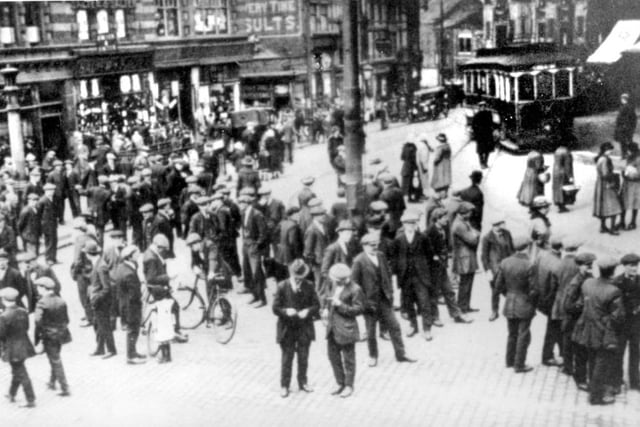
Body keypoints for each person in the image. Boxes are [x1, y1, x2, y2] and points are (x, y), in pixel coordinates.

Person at [351, 232, 416, 367]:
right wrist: (363, 303)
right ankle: (373, 355)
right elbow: (354, 285)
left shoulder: (381, 256)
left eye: (376, 245)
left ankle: (401, 354)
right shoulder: (358, 261)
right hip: (369, 303)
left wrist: (391, 293)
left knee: (395, 326)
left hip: (385, 300)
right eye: (371, 246)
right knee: (371, 331)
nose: (375, 248)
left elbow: (387, 275)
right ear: (364, 246)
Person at [572, 256, 624, 405]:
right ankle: (596, 396)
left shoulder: (587, 283)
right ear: (613, 271)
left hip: (585, 328)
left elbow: (581, 303)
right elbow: (617, 317)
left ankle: (591, 387)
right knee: (601, 363)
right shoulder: (614, 291)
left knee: (592, 359)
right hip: (602, 331)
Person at [272, 259, 320, 398]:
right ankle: (284, 385)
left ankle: (303, 382)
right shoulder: (282, 286)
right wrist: (286, 311)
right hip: (287, 328)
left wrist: (308, 311)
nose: (299, 280)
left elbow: (316, 305)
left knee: (303, 357)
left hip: (304, 328)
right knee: (287, 358)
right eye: (297, 277)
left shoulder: (309, 285)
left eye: (301, 277)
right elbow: (275, 308)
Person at [495, 234, 537, 374]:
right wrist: (532, 302)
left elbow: (498, 285)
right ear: (527, 248)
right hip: (524, 303)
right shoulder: (529, 264)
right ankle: (519, 364)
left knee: (512, 333)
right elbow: (533, 289)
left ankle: (510, 360)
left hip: (509, 303)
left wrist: (508, 295)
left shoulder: (505, 262)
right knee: (523, 335)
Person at [323, 263, 365, 399]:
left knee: (349, 360)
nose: (333, 281)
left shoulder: (355, 289)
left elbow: (358, 310)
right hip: (332, 329)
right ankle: (339, 382)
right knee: (333, 357)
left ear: (342, 279)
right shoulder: (333, 284)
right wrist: (325, 309)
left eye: (335, 279)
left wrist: (340, 305)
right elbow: (328, 299)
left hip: (347, 330)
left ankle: (348, 385)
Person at [34, 276, 71, 396]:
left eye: (38, 287)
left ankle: (65, 387)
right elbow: (66, 319)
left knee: (55, 361)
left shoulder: (42, 302)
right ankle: (51, 382)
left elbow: (37, 321)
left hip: (49, 336)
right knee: (55, 358)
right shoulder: (61, 300)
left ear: (43, 288)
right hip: (61, 334)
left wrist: (39, 336)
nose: (38, 290)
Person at [563, 252, 596, 390]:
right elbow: (568, 306)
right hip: (575, 321)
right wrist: (583, 305)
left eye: (591, 265)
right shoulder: (576, 282)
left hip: (585, 320)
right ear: (579, 266)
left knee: (584, 350)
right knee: (580, 351)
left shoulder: (589, 277)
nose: (589, 268)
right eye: (587, 265)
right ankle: (580, 380)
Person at [550, 237, 582, 375]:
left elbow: (553, 285)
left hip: (559, 302)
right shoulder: (579, 265)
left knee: (563, 334)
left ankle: (566, 364)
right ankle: (575, 363)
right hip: (574, 304)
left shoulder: (558, 264)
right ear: (576, 250)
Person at [0, 287, 36, 408]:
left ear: (4, 300)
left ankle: (30, 399)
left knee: (21, 372)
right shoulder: (23, 311)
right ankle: (12, 393)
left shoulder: (4, 316)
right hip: (24, 344)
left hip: (12, 349)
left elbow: (2, 335)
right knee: (17, 370)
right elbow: (26, 327)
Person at [112, 245, 146, 365]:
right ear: (130, 256)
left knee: (132, 330)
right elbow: (134, 295)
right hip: (132, 307)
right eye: (136, 254)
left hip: (124, 305)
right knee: (133, 330)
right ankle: (131, 356)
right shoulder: (129, 273)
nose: (138, 255)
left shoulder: (121, 267)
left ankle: (133, 352)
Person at [612, 253, 640, 391]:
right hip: (621, 325)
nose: (634, 269)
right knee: (618, 353)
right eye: (631, 266)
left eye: (636, 266)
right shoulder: (617, 282)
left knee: (636, 353)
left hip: (636, 324)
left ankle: (635, 381)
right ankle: (617, 381)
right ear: (624, 267)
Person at [534, 236, 563, 367]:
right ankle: (548, 356)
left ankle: (558, 353)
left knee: (554, 327)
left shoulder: (541, 255)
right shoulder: (557, 263)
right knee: (554, 328)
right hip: (552, 301)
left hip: (541, 298)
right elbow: (554, 286)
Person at [86, 241, 116, 359]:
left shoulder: (101, 266)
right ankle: (100, 348)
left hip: (101, 301)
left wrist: (96, 298)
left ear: (89, 254)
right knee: (97, 324)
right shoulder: (97, 263)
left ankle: (111, 349)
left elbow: (106, 288)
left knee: (104, 325)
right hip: (98, 299)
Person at [481, 216, 515, 321]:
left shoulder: (507, 233)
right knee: (495, 291)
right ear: (495, 225)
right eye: (501, 224)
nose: (502, 225)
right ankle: (494, 311)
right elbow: (484, 256)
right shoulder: (487, 238)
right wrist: (487, 270)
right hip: (495, 269)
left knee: (510, 288)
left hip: (507, 265)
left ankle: (512, 308)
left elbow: (512, 249)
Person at [238, 194, 268, 307]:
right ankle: (254, 295)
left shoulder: (257, 214)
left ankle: (262, 298)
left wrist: (257, 245)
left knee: (257, 272)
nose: (240, 205)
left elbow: (263, 233)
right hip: (246, 245)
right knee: (247, 271)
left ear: (247, 203)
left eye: (242, 203)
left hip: (253, 247)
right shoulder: (243, 214)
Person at [451, 202, 480, 313]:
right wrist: (475, 234)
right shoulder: (460, 225)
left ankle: (465, 306)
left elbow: (474, 234)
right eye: (469, 212)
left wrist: (474, 233)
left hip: (466, 257)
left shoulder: (462, 222)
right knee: (465, 284)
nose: (471, 214)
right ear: (463, 213)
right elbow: (473, 240)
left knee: (468, 283)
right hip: (464, 258)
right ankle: (462, 307)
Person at [593, 142, 623, 235]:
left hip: (600, 185)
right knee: (615, 206)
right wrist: (614, 179)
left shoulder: (600, 158)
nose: (610, 151)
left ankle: (603, 227)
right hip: (607, 184)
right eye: (609, 150)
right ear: (605, 150)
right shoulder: (605, 159)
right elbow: (605, 174)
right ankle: (613, 228)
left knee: (603, 207)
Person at [472, 101, 497, 169]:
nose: (483, 108)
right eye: (481, 107)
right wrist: (476, 133)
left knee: (487, 150)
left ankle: (485, 162)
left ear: (485, 107)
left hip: (488, 134)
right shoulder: (476, 115)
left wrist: (493, 130)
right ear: (479, 107)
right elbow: (473, 126)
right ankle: (481, 163)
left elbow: (491, 123)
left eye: (484, 106)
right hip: (480, 136)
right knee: (480, 151)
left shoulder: (488, 114)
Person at [38, 183, 58, 265]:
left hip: (53, 224)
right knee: (49, 242)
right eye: (50, 190)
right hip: (46, 225)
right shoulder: (42, 200)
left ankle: (53, 258)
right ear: (45, 191)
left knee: (54, 241)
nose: (52, 192)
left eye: (53, 190)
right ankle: (48, 259)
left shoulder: (52, 199)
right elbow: (39, 214)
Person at [622, 143, 640, 229]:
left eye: (629, 150)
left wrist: (630, 176)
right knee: (623, 202)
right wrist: (624, 173)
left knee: (634, 203)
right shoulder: (629, 158)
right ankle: (622, 222)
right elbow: (627, 168)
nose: (627, 152)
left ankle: (633, 222)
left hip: (635, 184)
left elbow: (639, 173)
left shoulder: (638, 159)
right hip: (627, 183)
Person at [552, 145, 574, 213]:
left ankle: (559, 204)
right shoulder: (566, 152)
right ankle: (562, 206)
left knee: (557, 189)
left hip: (556, 171)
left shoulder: (557, 150)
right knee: (564, 189)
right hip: (563, 173)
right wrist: (570, 176)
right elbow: (567, 166)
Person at [528, 196, 552, 262]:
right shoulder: (539, 220)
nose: (548, 209)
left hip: (536, 246)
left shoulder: (537, 217)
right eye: (546, 207)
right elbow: (543, 233)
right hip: (540, 248)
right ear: (541, 208)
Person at [614, 93, 637, 158]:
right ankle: (632, 154)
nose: (621, 100)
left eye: (622, 99)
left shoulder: (624, 107)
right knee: (628, 141)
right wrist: (632, 127)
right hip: (628, 128)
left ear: (623, 99)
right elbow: (634, 118)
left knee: (623, 141)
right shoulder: (630, 107)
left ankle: (624, 155)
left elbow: (621, 118)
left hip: (623, 128)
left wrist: (621, 126)